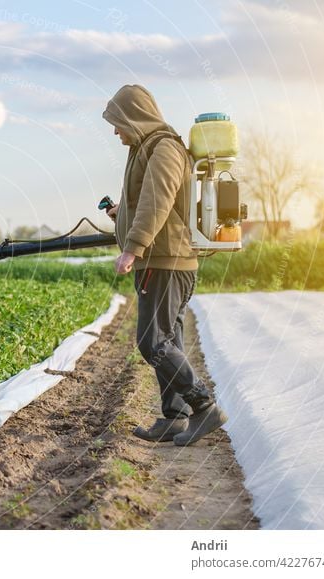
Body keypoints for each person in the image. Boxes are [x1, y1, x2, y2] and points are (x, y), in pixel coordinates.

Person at [102, 84, 228, 446]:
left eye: (117, 122)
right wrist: (120, 214)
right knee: (166, 338)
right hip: (163, 261)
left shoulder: (165, 148)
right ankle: (176, 418)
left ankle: (204, 407)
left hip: (165, 261)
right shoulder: (148, 148)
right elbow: (146, 201)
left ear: (134, 116)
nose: (115, 130)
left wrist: (133, 248)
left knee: (152, 341)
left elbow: (157, 201)